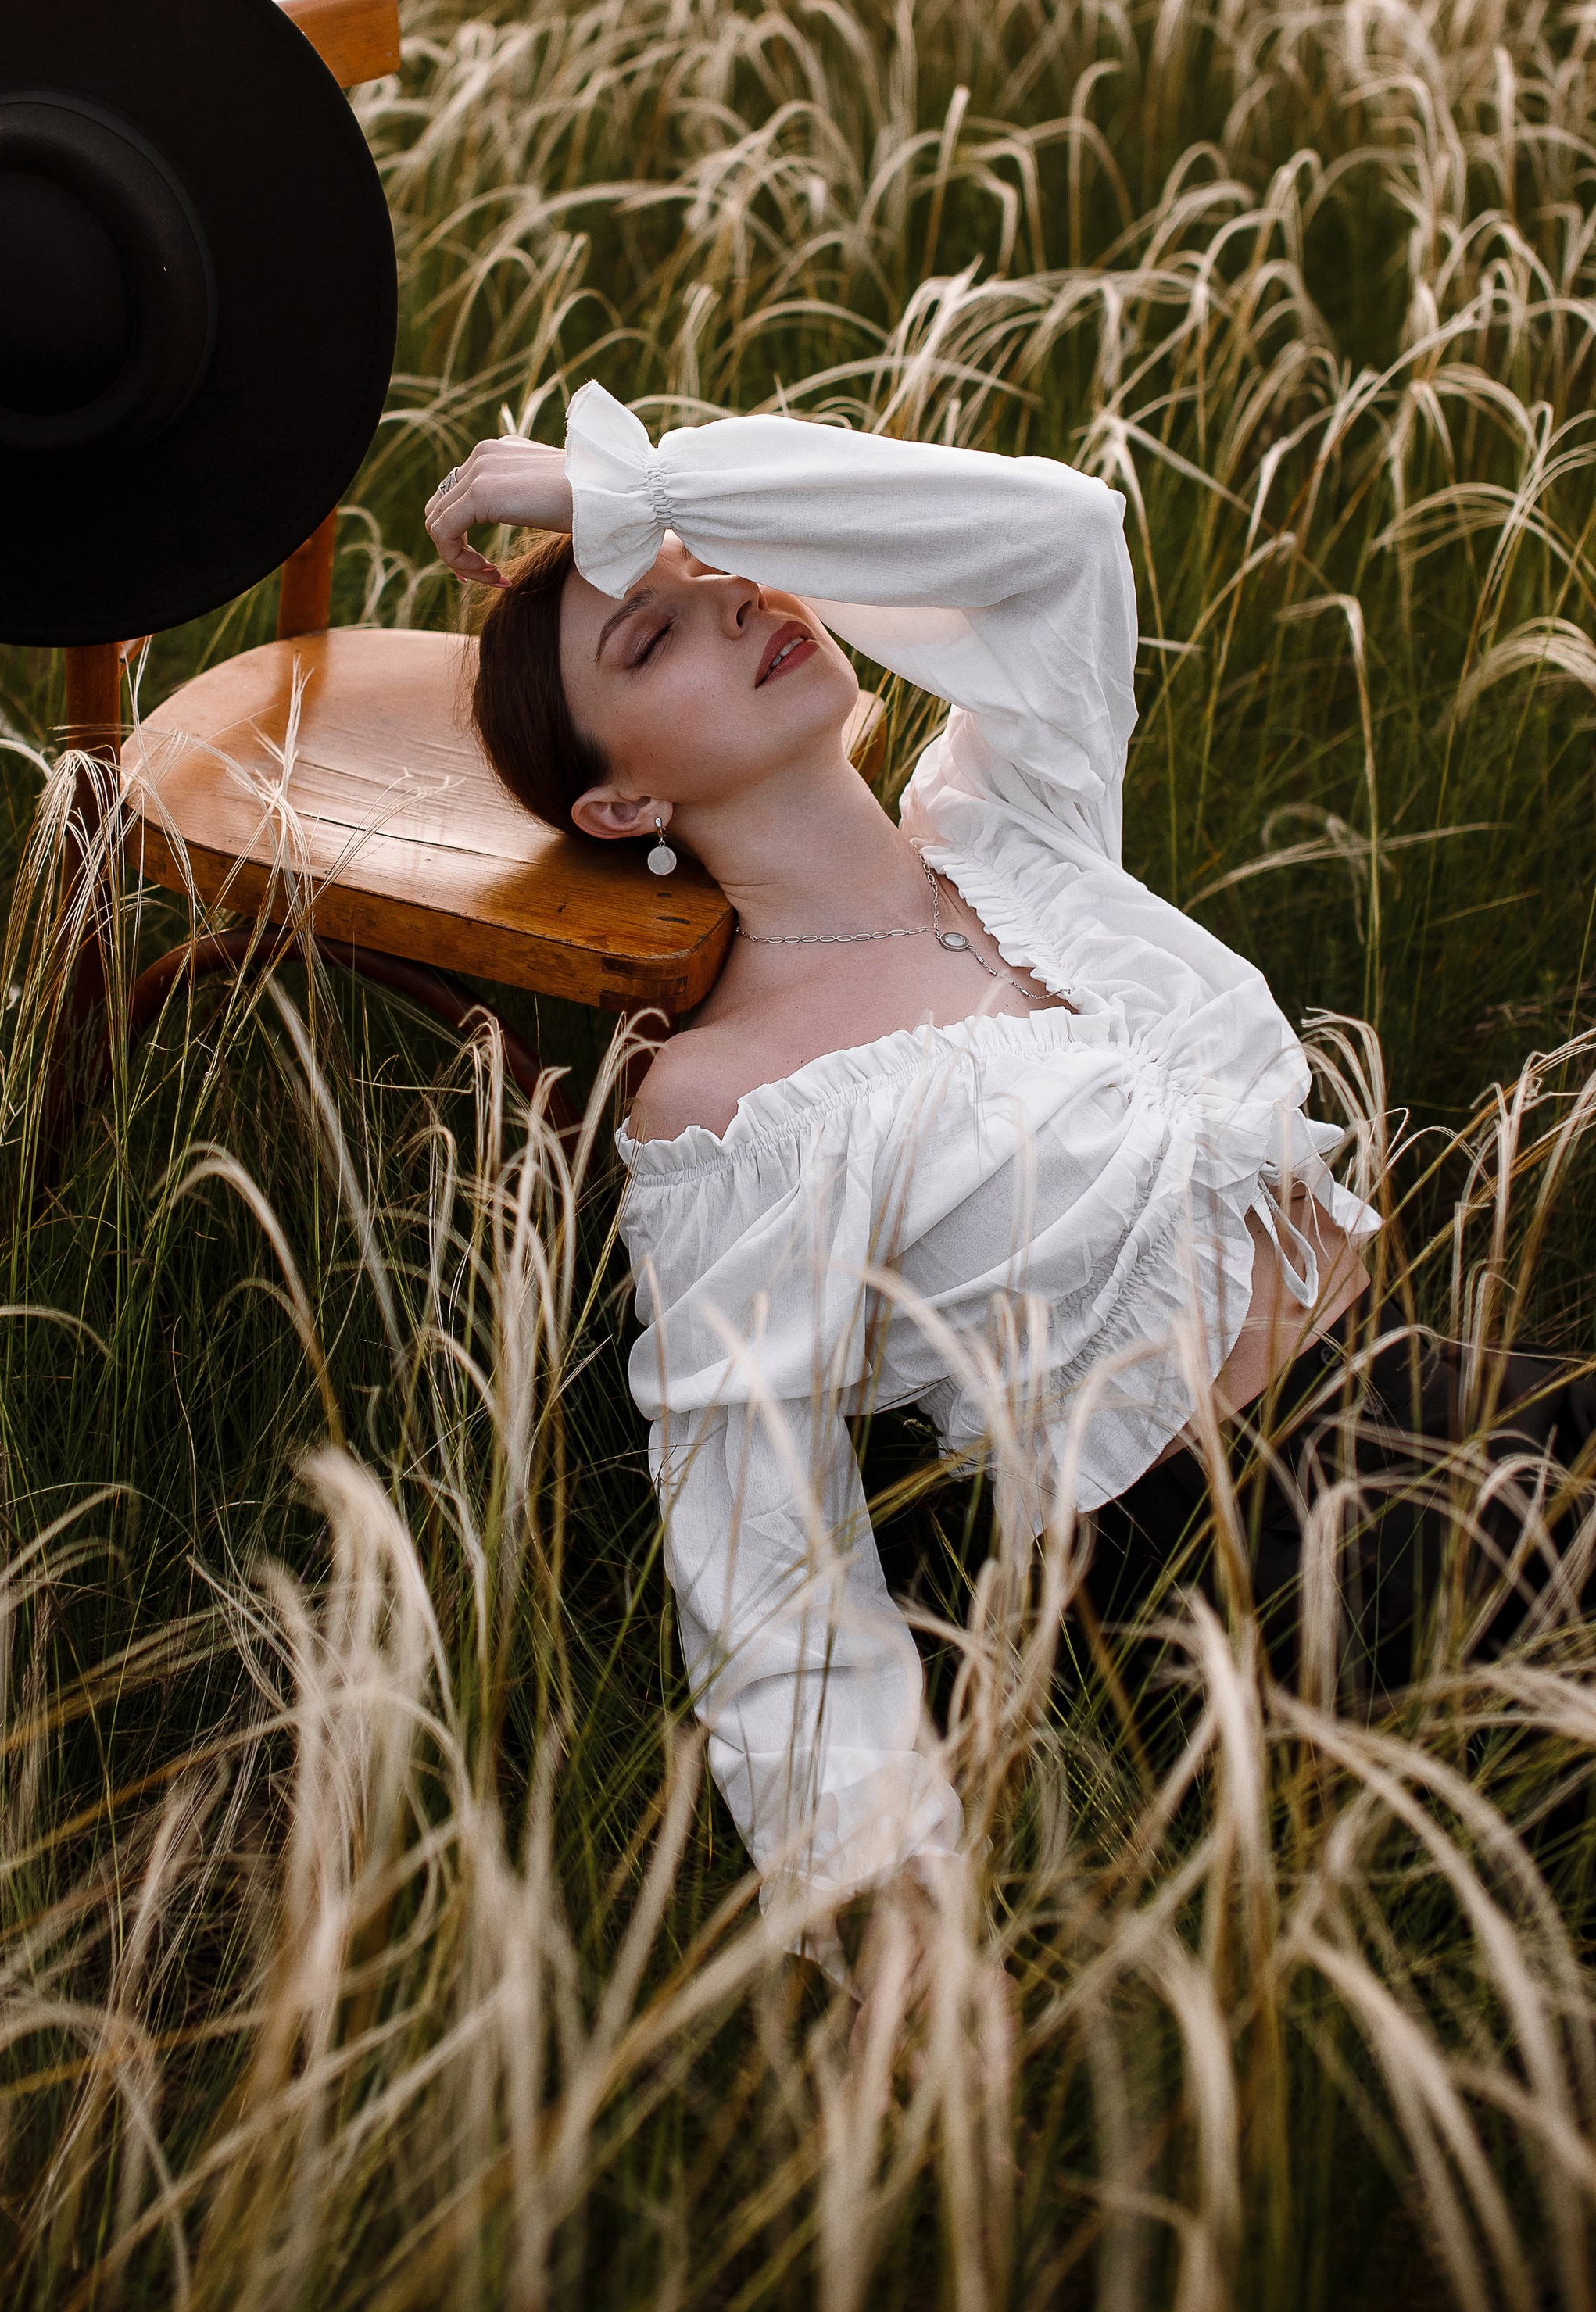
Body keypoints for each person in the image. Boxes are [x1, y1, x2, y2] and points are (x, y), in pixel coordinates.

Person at [422, 384, 1594, 1974]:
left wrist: (631, 491)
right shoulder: (732, 1107)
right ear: (621, 804)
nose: (734, 606)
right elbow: (764, 1547)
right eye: (650, 639)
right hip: (1283, 1555)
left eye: (729, 573)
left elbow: (1059, 534)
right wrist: (882, 1922)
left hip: (1451, 1383)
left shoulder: (1009, 839)